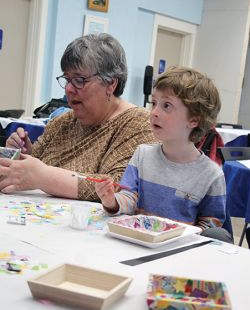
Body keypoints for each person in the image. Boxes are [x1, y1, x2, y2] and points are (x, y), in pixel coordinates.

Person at [0, 33, 156, 200]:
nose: (68, 89)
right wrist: (22, 154)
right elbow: (32, 170)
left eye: (79, 80)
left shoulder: (139, 125)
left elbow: (121, 187)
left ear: (111, 83)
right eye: (67, 79)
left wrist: (44, 177)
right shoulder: (63, 122)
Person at [95, 65, 233, 243]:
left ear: (194, 120)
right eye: (154, 103)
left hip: (179, 254)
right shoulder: (142, 155)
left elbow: (212, 226)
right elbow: (130, 198)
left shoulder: (211, 175)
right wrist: (111, 201)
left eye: (166, 105)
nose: (154, 113)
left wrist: (181, 236)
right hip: (137, 245)